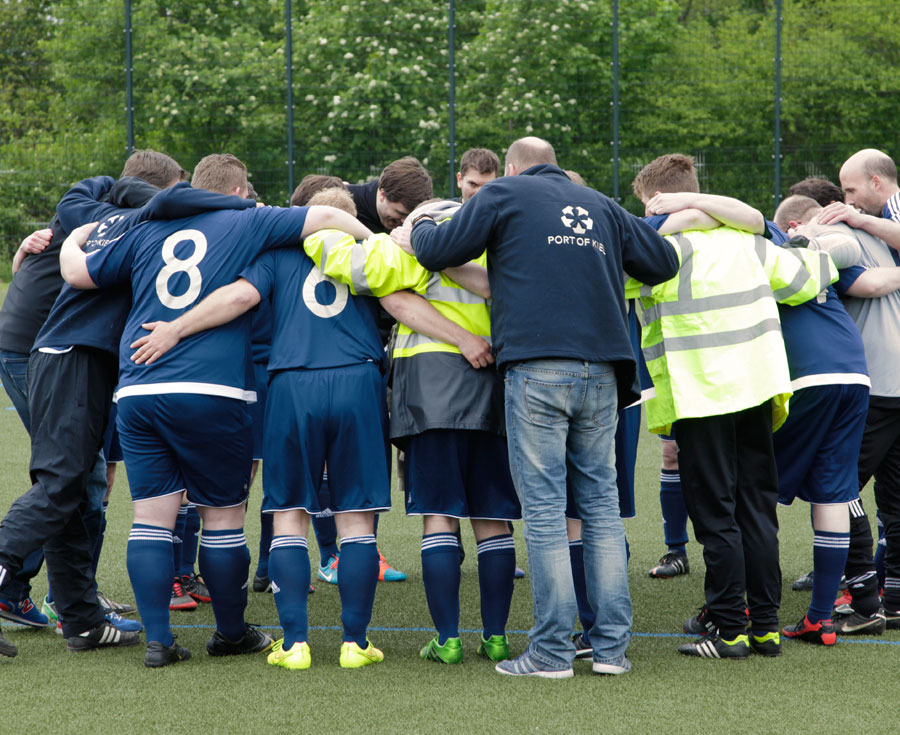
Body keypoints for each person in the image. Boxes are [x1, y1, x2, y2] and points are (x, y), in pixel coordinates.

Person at [59, 153, 373, 668]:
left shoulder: (146, 228)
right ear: (237, 189)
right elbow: (330, 217)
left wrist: (75, 236)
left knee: (150, 519)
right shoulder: (246, 219)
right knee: (223, 519)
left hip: (139, 388)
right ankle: (230, 633)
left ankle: (160, 641)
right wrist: (376, 239)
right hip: (212, 389)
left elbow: (77, 271)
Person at [407, 136, 679, 678]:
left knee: (548, 512)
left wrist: (418, 225)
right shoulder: (601, 204)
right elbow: (663, 262)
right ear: (556, 167)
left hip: (535, 366)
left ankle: (552, 653)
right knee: (600, 509)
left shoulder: (502, 195)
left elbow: (437, 252)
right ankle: (610, 652)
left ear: (511, 168)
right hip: (604, 369)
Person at [629, 154, 837, 660]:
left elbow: (612, 279)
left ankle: (728, 631)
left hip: (700, 395)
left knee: (716, 515)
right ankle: (764, 628)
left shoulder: (656, 250)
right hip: (759, 391)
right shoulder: (748, 242)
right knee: (756, 510)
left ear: (657, 201)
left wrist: (667, 222)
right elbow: (814, 276)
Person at [304, 194, 521, 665]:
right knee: (492, 517)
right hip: (494, 383)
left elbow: (376, 283)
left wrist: (319, 230)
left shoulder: (414, 240)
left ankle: (448, 640)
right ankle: (497, 637)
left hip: (429, 385)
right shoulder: (498, 234)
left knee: (439, 514)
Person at [777, 192, 900, 634]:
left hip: (827, 378)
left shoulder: (793, 244)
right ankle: (840, 610)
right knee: (849, 492)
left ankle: (748, 607)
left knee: (757, 487)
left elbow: (866, 283)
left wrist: (811, 235)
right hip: (864, 376)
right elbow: (871, 282)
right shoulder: (849, 248)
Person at [346, 156, 433, 233]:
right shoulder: (345, 203)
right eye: (400, 213)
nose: (404, 221)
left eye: (410, 216)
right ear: (383, 195)